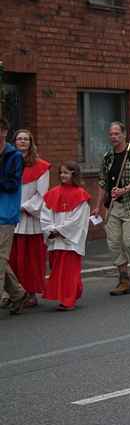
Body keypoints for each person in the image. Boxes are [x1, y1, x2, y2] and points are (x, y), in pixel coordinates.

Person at [93, 122, 130, 296]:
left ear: (124, 135)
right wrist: (97, 207)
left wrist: (124, 190)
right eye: (111, 134)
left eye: (117, 134)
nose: (113, 137)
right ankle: (124, 280)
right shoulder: (108, 157)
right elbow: (103, 182)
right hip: (113, 206)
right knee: (114, 244)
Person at [41, 162, 91, 311]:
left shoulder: (81, 195)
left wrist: (60, 230)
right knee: (57, 269)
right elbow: (45, 214)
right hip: (56, 239)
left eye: (67, 173)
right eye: (61, 172)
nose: (63, 175)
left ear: (74, 175)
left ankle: (68, 301)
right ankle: (73, 291)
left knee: (69, 271)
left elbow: (78, 220)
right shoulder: (53, 193)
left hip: (70, 240)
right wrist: (50, 229)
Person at [9, 129, 50, 308]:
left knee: (31, 259)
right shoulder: (8, 162)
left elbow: (43, 195)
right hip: (9, 216)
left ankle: (31, 292)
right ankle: (15, 293)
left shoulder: (40, 166)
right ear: (14, 142)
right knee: (12, 258)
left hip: (29, 218)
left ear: (31, 142)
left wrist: (24, 206)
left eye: (26, 139)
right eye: (19, 139)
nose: (22, 142)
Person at [0, 117, 28, 315]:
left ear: (4, 132)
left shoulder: (14, 156)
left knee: (0, 259)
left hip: (5, 214)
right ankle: (18, 294)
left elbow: (11, 184)